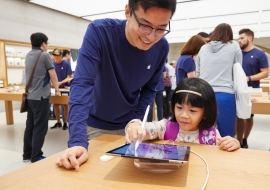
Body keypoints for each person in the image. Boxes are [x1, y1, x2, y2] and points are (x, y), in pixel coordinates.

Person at [56, 0, 177, 169]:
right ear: (128, 11)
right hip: (95, 124)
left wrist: (137, 119)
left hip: (131, 128)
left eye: (161, 29)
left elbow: (150, 89)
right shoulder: (100, 32)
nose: (151, 36)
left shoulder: (161, 46)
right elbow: (82, 85)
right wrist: (77, 141)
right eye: (145, 25)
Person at [126, 78, 240, 151]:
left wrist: (233, 143)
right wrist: (134, 125)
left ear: (205, 113)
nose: (184, 115)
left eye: (192, 111)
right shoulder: (165, 127)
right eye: (179, 108)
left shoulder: (211, 135)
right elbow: (144, 129)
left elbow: (223, 150)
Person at [196, 23, 242, 137]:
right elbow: (238, 70)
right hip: (225, 93)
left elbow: (198, 73)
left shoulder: (203, 48)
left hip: (203, 93)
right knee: (226, 134)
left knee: (202, 133)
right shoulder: (234, 45)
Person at [23, 32, 61, 163]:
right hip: (41, 98)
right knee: (40, 127)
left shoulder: (28, 55)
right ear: (43, 44)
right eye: (47, 44)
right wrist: (57, 90)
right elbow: (53, 75)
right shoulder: (45, 55)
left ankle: (27, 155)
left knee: (30, 126)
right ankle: (36, 156)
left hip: (29, 97)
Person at [236, 28, 269, 148]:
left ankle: (245, 139)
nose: (239, 40)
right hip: (237, 90)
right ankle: (238, 141)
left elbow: (265, 72)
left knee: (249, 117)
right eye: (239, 38)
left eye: (242, 38)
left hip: (252, 90)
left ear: (250, 38)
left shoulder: (260, 54)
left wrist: (248, 78)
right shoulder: (237, 54)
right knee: (239, 117)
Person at [50, 48, 72, 130]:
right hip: (56, 88)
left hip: (65, 87)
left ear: (61, 56)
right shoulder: (52, 64)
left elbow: (69, 77)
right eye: (55, 58)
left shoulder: (66, 64)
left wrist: (61, 82)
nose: (56, 60)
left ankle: (65, 122)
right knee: (55, 105)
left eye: (58, 58)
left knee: (65, 105)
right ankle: (58, 122)